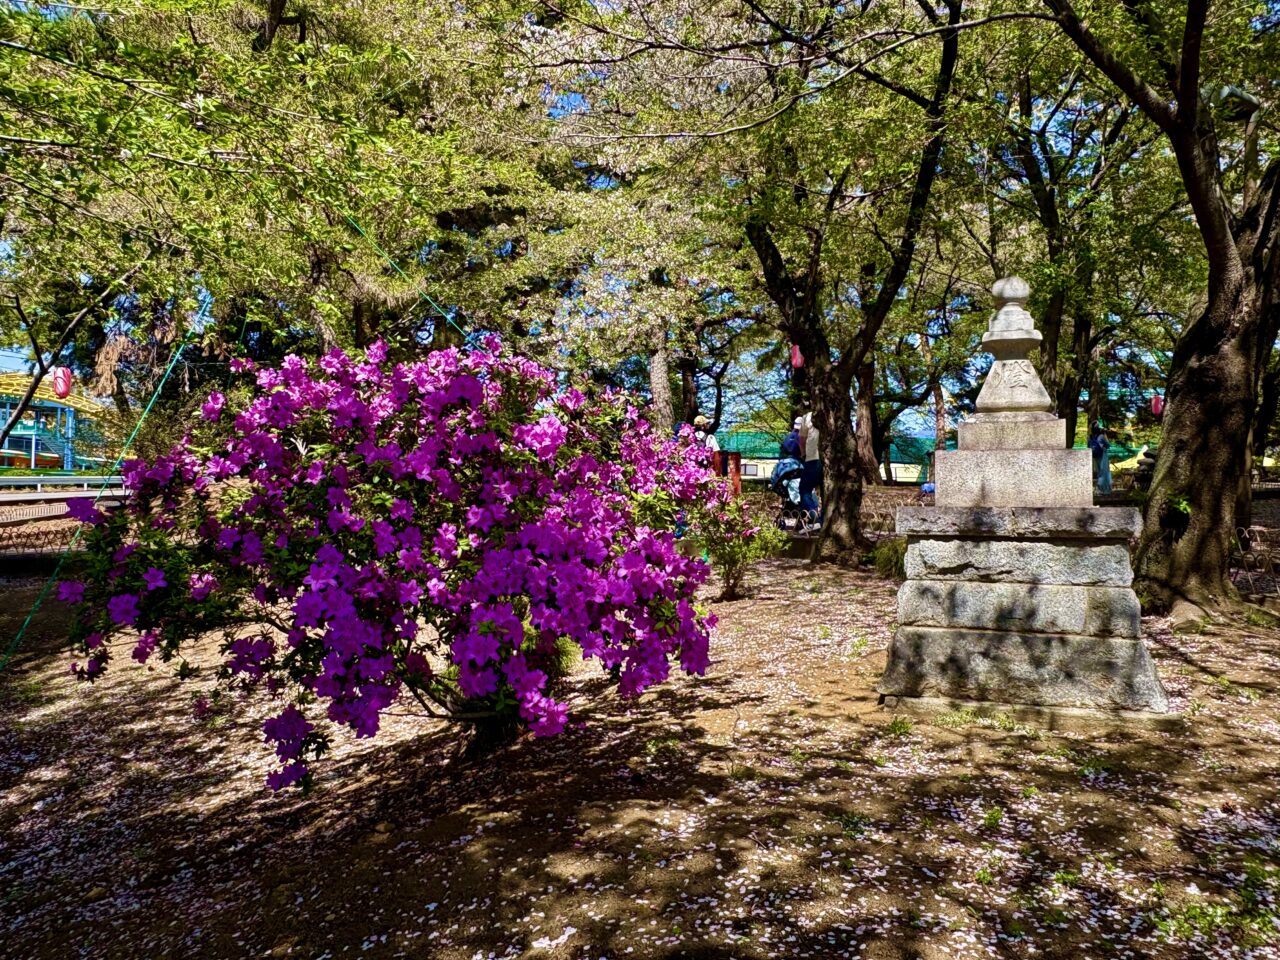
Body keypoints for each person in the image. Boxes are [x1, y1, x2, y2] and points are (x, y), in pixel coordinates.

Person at [797, 411, 822, 522]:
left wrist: (803, 454)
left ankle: (813, 515)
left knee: (804, 489)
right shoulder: (838, 413)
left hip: (813, 458)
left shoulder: (807, 416)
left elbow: (802, 439)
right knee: (828, 491)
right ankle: (824, 520)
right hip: (832, 460)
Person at [1089, 423, 1112, 495]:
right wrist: (1105, 435)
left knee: (1098, 472)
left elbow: (1088, 446)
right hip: (1103, 455)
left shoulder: (1090, 436)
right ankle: (1105, 490)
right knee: (1104, 472)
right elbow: (1108, 445)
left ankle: (1099, 489)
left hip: (1095, 456)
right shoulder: (1101, 436)